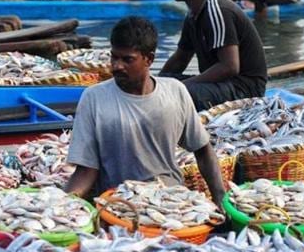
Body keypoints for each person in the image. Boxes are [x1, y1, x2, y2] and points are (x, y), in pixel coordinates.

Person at [64, 16, 226, 207]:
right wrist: (64, 206)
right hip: (119, 203)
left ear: (149, 59)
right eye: (114, 57)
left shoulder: (175, 91)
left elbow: (203, 151)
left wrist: (220, 199)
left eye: (127, 60)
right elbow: (86, 171)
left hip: (170, 199)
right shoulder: (93, 98)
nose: (117, 66)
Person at [160, 0, 268, 111]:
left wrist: (182, 86)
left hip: (245, 89)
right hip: (221, 85)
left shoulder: (217, 10)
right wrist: (155, 84)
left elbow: (230, 67)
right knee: (163, 84)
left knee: (179, 92)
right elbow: (180, 59)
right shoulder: (193, 13)